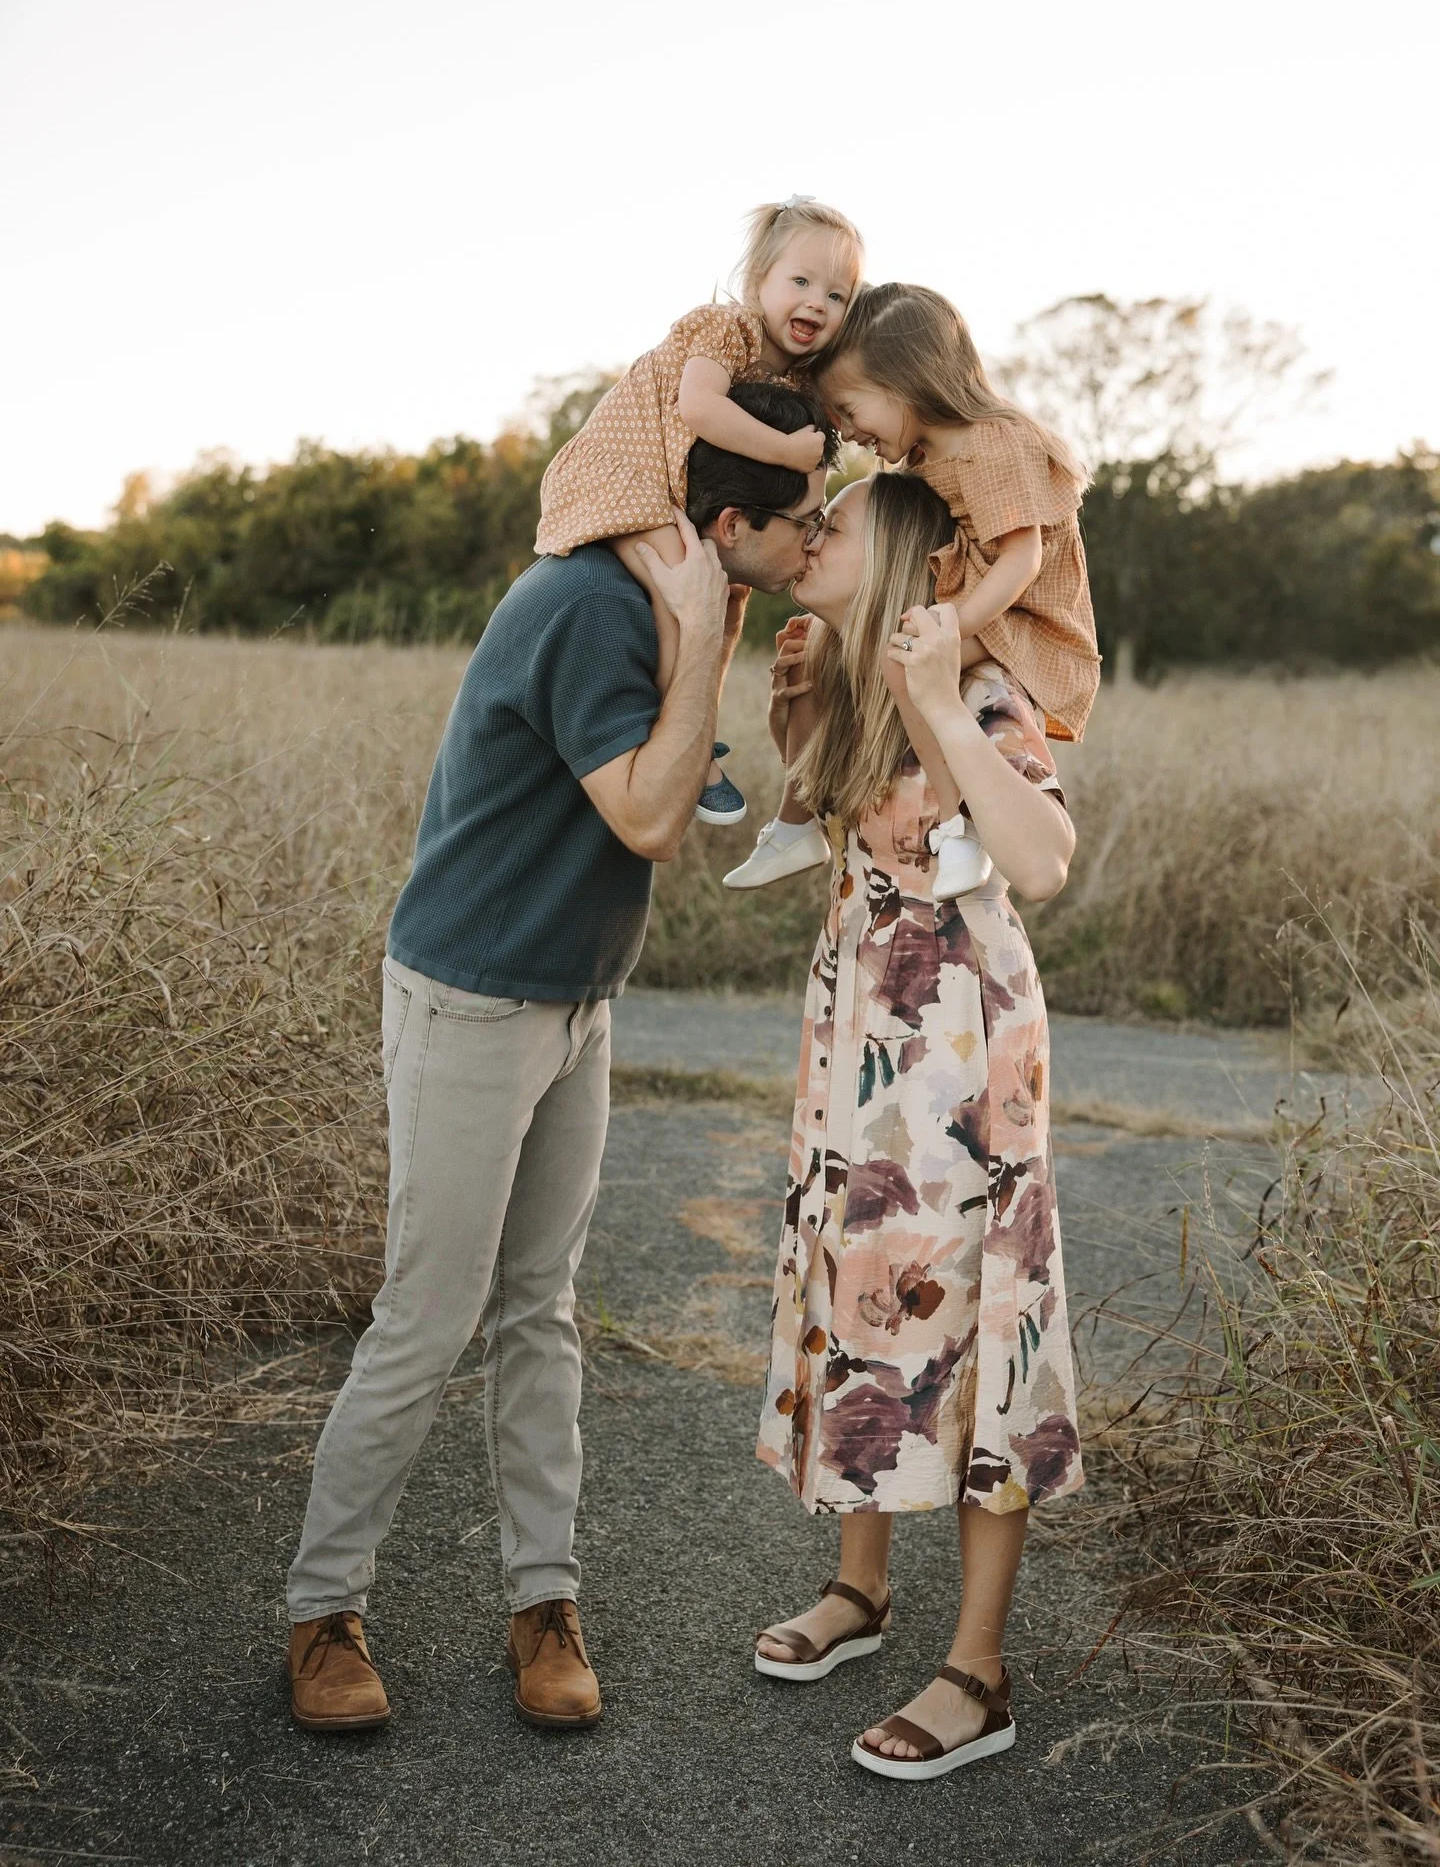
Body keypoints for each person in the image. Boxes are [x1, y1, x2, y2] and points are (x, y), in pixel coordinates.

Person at [284, 382, 838, 1736]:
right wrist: (706, 627)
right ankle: (321, 1613)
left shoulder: (655, 595)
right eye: (799, 523)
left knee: (542, 1311)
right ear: (722, 524)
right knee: (429, 1317)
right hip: (474, 1001)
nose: (815, 542)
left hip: (575, 998)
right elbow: (655, 819)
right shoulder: (595, 608)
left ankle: (545, 1601)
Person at [752, 471, 1084, 1781]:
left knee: (975, 1311)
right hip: (862, 1033)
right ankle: (863, 1588)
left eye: (834, 520)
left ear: (892, 554)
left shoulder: (978, 682)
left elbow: (1044, 859)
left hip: (961, 1047)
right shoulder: (831, 670)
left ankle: (978, 1671)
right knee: (863, 1284)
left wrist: (942, 700)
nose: (811, 535)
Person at [724, 281, 1098, 903]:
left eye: (849, 409)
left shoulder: (995, 444)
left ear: (906, 384)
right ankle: (793, 828)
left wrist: (946, 633)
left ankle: (960, 830)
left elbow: (1022, 558)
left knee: (906, 660)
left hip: (1024, 615)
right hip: (851, 984)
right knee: (848, 652)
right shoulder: (924, 458)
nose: (847, 429)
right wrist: (792, 718)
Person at [536, 198, 862, 826]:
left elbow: (824, 436)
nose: (818, 303)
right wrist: (790, 452)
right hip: (620, 475)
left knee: (726, 599)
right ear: (757, 283)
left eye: (837, 295)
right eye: (800, 281)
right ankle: (673, 739)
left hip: (669, 486)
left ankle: (699, 726)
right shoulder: (724, 329)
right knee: (682, 588)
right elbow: (700, 410)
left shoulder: (794, 374)